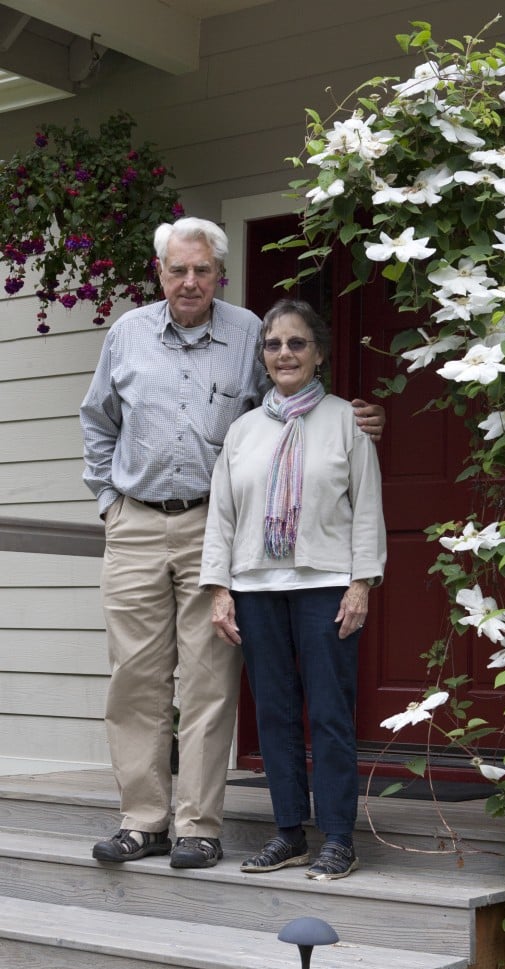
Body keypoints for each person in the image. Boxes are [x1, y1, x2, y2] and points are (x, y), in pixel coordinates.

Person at [80, 218, 384, 870]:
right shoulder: (127, 334)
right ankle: (143, 822)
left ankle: (198, 826)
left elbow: (286, 409)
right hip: (134, 522)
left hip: (214, 527)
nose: (189, 282)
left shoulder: (248, 330)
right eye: (177, 270)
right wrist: (109, 506)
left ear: (220, 273)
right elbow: (97, 422)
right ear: (159, 272)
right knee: (134, 677)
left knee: (210, 680)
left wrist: (353, 420)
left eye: (202, 270)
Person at [200, 298, 386, 880]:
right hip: (255, 587)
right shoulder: (242, 431)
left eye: (297, 343)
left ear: (319, 354)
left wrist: (361, 583)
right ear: (263, 356)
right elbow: (222, 516)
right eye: (274, 344)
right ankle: (288, 833)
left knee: (330, 712)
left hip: (326, 584)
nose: (285, 353)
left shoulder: (346, 422)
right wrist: (219, 589)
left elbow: (366, 509)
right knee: (275, 715)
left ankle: (336, 837)